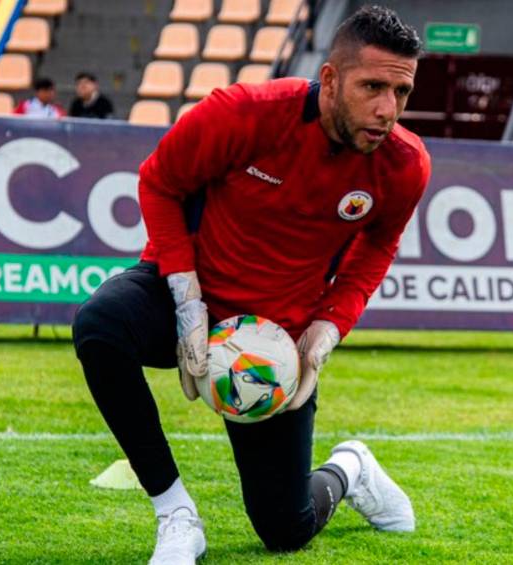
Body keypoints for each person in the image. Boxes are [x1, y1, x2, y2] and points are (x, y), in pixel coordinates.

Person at [72, 5, 430, 564]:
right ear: (331, 79)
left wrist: (328, 327)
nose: (388, 110)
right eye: (373, 87)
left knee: (285, 529)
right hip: (186, 293)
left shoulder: (405, 165)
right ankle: (176, 515)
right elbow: (160, 182)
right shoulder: (246, 113)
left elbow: (378, 246)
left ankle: (350, 468)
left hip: (274, 339)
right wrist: (187, 300)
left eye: (401, 92)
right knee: (100, 326)